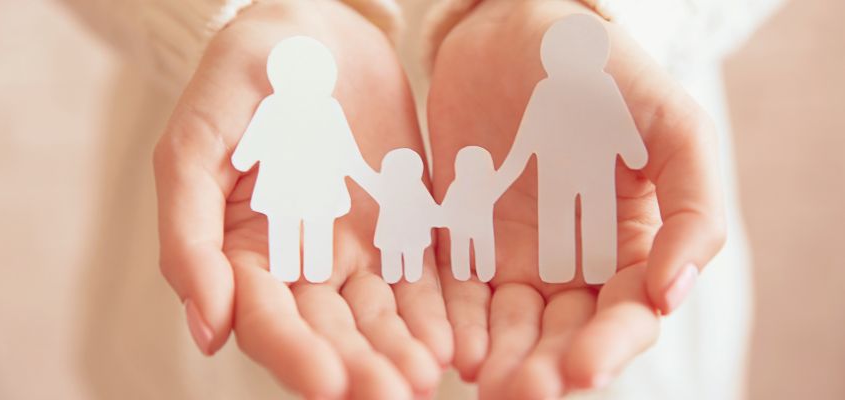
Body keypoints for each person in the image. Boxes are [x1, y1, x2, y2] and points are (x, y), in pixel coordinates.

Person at [50, 0, 783, 399]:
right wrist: (241, 13)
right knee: (305, 236)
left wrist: (616, 13)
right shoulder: (292, 106)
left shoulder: (584, 93)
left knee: (567, 229)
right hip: (238, 268)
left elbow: (534, 146)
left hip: (610, 265)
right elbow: (307, 148)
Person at [494, 15, 648, 285]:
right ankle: (563, 266)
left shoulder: (593, 85)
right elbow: (528, 136)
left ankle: (590, 266)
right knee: (571, 214)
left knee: (582, 213)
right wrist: (634, 153)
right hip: (574, 170)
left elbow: (619, 122)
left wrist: (634, 151)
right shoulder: (552, 89)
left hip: (575, 170)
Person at [231, 36, 375, 283]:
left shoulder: (279, 106)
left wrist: (242, 160)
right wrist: (372, 181)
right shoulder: (313, 107)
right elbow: (347, 153)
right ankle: (307, 269)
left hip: (287, 185)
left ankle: (305, 269)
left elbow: (346, 152)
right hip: (313, 185)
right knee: (303, 225)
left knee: (292, 226)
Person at [363, 148, 439, 283]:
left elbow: (429, 208)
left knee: (409, 254)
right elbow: (430, 209)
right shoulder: (389, 188)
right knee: (395, 255)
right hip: (399, 234)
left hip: (406, 234)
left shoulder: (416, 190)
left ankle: (407, 274)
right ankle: (396, 274)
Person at [440, 146, 510, 282]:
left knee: (470, 246)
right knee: (469, 247)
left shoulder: (459, 186)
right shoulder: (458, 186)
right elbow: (448, 205)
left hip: (469, 227)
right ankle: (472, 272)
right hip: (470, 227)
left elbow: (447, 205)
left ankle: (480, 272)